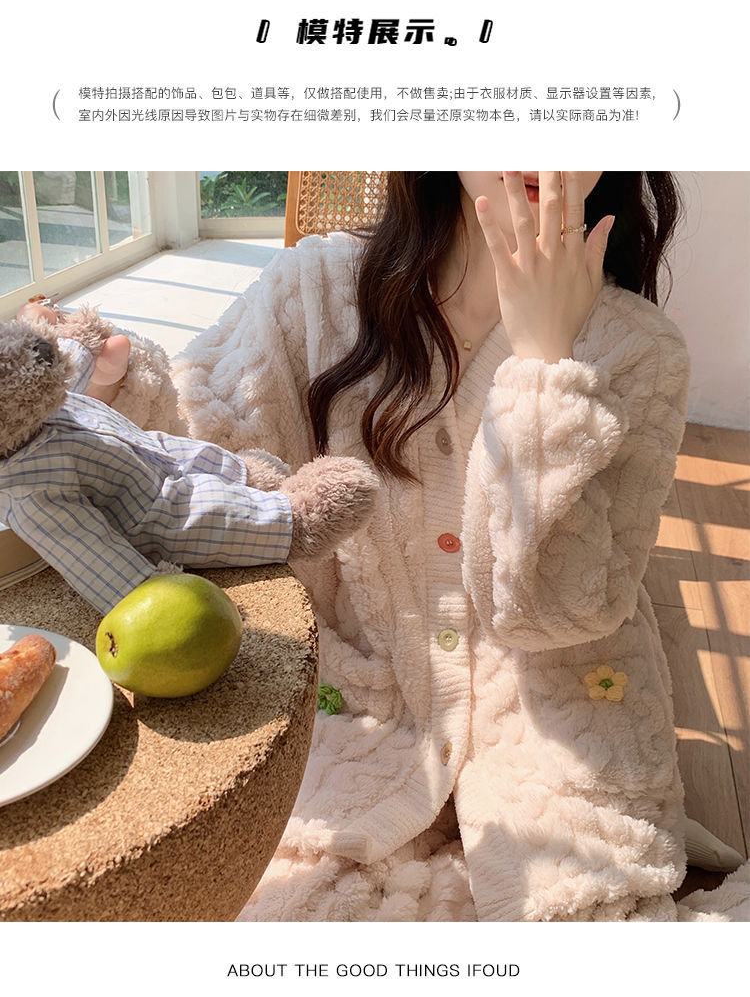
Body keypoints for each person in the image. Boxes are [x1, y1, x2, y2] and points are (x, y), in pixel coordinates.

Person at [18, 172, 749, 921]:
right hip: (354, 695)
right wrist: (114, 386)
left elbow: (550, 612)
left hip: (547, 704)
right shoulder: (316, 288)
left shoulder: (639, 348)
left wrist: (544, 369)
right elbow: (207, 450)